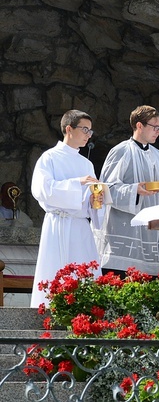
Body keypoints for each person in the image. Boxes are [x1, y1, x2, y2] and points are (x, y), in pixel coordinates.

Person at [30, 110, 105, 307]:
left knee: (84, 274)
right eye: (85, 129)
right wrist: (77, 183)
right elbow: (43, 190)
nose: (89, 134)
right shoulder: (49, 158)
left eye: (90, 130)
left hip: (80, 228)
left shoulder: (87, 164)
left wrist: (95, 200)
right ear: (69, 129)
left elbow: (90, 203)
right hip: (57, 224)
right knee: (54, 272)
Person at [97, 105, 159, 277]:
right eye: (156, 127)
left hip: (151, 231)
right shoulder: (121, 151)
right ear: (139, 126)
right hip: (125, 230)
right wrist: (135, 191)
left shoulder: (158, 155)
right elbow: (107, 189)